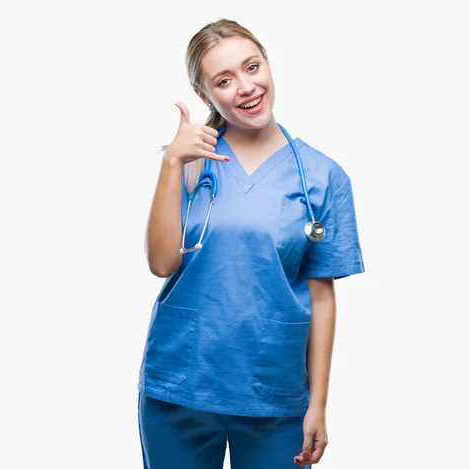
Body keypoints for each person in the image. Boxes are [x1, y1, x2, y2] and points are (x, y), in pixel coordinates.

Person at [137, 18, 365, 469]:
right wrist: (171, 164)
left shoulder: (323, 177)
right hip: (181, 384)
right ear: (206, 96)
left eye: (252, 67)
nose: (245, 86)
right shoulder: (188, 162)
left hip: (274, 396)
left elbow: (322, 297)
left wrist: (317, 404)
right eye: (224, 80)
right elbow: (162, 263)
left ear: (267, 66)